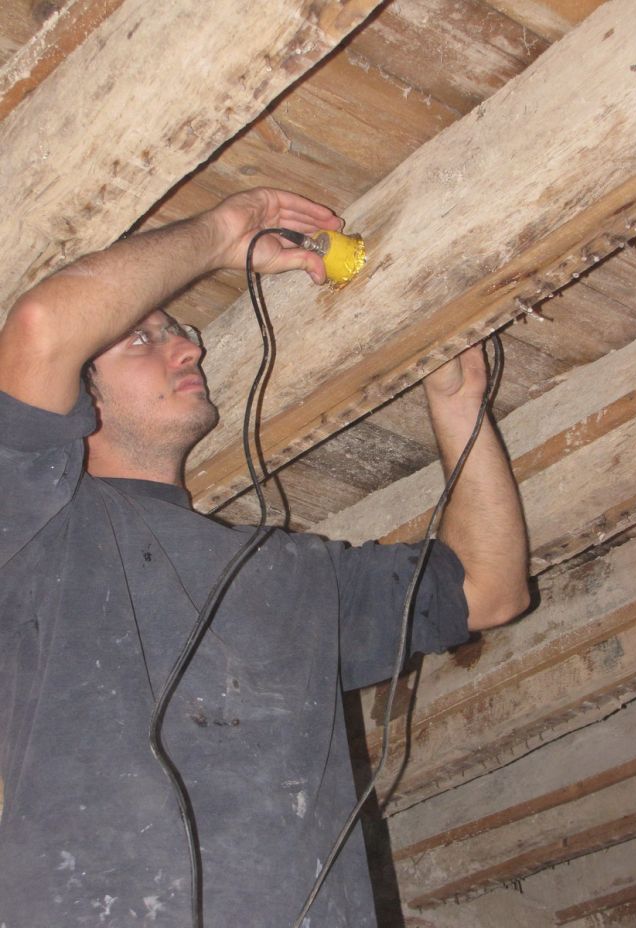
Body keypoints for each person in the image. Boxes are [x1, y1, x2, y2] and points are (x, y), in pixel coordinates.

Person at [0, 188, 529, 927]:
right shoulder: (38, 526)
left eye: (182, 333)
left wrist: (459, 406)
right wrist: (229, 231)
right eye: (143, 339)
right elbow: (40, 326)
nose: (191, 347)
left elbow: (491, 591)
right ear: (82, 403)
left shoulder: (298, 574)